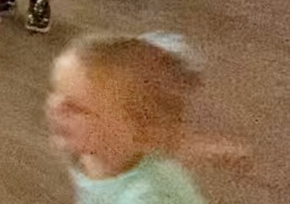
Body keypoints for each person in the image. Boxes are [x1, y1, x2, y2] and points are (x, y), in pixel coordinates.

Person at [48, 34, 209, 204]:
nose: (56, 107)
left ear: (142, 134)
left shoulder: (147, 197)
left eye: (77, 107)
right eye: (56, 90)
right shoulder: (94, 154)